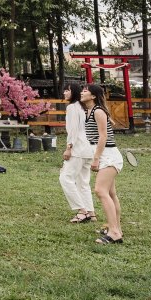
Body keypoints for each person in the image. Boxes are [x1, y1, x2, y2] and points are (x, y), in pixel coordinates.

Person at [82, 83, 124, 244]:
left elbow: (103, 136)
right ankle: (116, 229)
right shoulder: (89, 111)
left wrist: (96, 158)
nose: (82, 92)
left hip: (109, 156)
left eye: (85, 91)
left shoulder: (98, 111)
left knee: (100, 190)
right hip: (104, 155)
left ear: (93, 96)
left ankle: (114, 232)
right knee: (111, 194)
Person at [59, 83, 96, 223]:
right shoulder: (84, 107)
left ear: (73, 92)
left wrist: (69, 147)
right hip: (89, 149)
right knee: (83, 182)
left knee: (65, 178)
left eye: (67, 90)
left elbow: (73, 130)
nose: (64, 93)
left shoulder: (72, 107)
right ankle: (91, 213)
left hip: (78, 148)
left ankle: (82, 211)